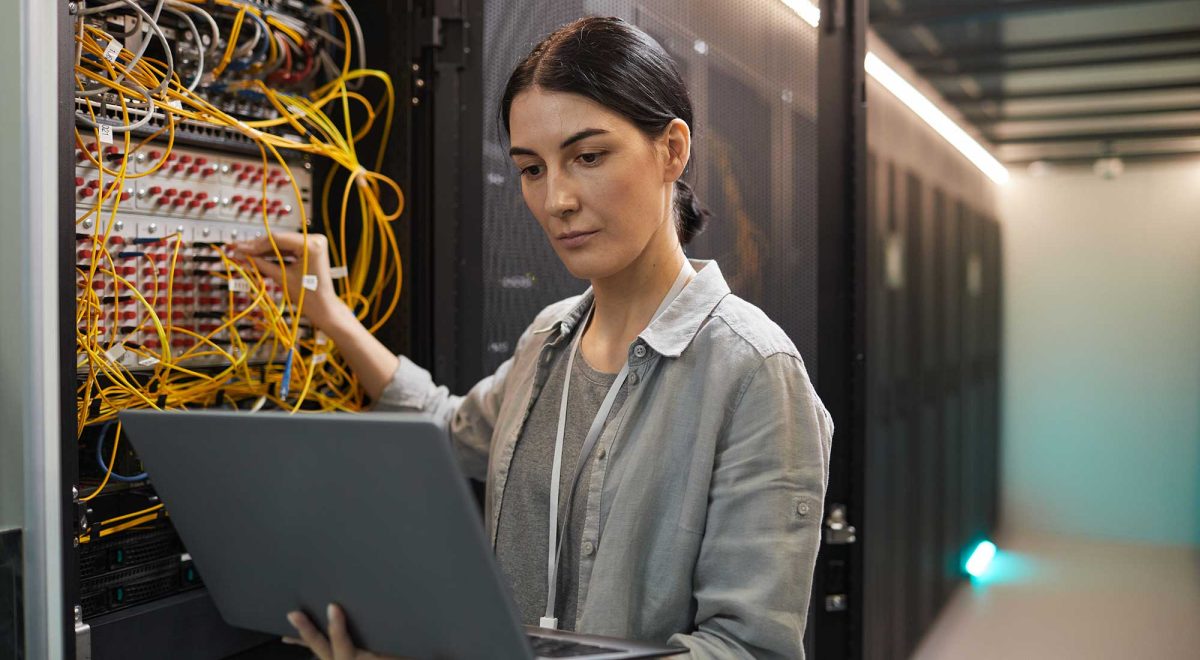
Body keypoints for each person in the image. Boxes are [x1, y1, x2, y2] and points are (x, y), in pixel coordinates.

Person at [230, 16, 833, 660]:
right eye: (532, 169)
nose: (557, 200)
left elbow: (747, 648)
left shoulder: (752, 372)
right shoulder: (550, 339)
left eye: (589, 156)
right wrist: (332, 317)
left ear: (672, 150)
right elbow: (447, 427)